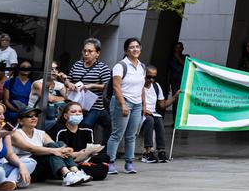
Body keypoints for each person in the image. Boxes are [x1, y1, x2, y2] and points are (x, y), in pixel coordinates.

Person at [10, 106, 91, 186]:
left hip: (40, 169)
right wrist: (56, 151)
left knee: (58, 144)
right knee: (53, 151)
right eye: (29, 116)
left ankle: (75, 171)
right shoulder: (15, 133)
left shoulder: (40, 133)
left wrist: (64, 150)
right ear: (20, 121)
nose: (34, 118)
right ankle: (67, 174)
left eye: (36, 116)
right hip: (25, 169)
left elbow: (55, 146)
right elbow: (31, 148)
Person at [105, 37, 147, 175]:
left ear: (140, 49)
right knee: (117, 134)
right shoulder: (120, 66)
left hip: (137, 104)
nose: (135, 49)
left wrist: (143, 106)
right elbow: (116, 87)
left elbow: (142, 87)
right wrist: (123, 104)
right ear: (126, 50)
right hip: (122, 102)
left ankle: (129, 163)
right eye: (131, 47)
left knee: (131, 135)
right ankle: (110, 163)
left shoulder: (142, 66)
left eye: (137, 47)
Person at [67, 38, 113, 143]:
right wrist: (70, 85)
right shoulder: (77, 65)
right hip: (77, 104)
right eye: (85, 51)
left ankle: (99, 150)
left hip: (95, 106)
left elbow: (107, 86)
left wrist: (91, 86)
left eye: (90, 51)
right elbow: (69, 80)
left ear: (97, 53)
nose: (86, 53)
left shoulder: (103, 68)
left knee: (85, 125)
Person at [52, 102, 108, 180]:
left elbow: (90, 149)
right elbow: (59, 153)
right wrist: (77, 154)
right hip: (68, 160)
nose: (77, 114)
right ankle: (72, 172)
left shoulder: (87, 128)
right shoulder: (59, 130)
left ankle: (81, 171)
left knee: (104, 157)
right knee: (100, 171)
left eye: (80, 111)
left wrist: (87, 158)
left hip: (84, 158)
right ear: (65, 116)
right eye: (73, 112)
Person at [140, 65, 178, 163]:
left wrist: (174, 97)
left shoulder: (156, 86)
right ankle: (147, 152)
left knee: (159, 120)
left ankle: (161, 151)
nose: (151, 80)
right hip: (140, 113)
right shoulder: (138, 86)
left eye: (154, 77)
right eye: (149, 77)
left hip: (152, 113)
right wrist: (142, 109)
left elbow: (162, 105)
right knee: (150, 120)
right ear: (143, 75)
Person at [0, 101, 35, 190]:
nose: (3, 117)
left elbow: (10, 155)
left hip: (0, 167)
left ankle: (10, 182)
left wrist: (21, 165)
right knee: (0, 172)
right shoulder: (1, 133)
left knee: (30, 162)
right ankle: (12, 182)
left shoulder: (4, 132)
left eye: (3, 114)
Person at [3, 59, 34, 125]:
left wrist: (27, 112)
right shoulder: (10, 82)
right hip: (12, 114)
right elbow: (6, 101)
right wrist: (17, 110)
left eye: (28, 67)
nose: (26, 68)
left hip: (27, 115)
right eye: (23, 67)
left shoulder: (33, 83)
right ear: (19, 68)